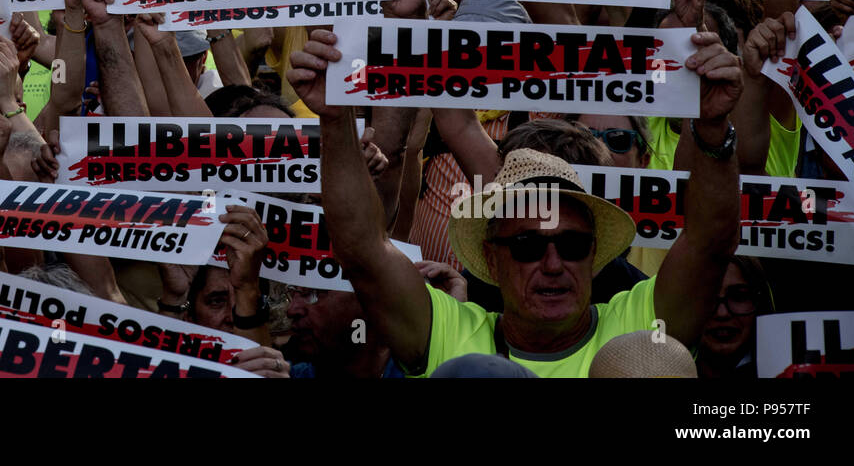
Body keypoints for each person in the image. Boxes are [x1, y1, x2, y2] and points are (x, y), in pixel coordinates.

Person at [288, 26, 744, 376]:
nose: (552, 264)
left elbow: (709, 245)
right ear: (490, 254)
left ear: (595, 254)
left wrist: (712, 130)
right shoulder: (446, 330)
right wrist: (334, 119)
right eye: (527, 245)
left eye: (572, 245)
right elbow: (363, 251)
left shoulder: (643, 323)